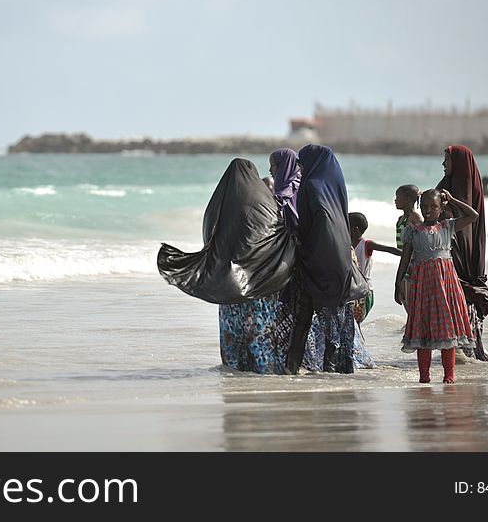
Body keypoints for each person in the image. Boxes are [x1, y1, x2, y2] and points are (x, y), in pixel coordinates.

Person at [157, 157, 297, 373]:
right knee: (258, 329)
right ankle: (264, 370)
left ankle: (234, 369)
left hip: (229, 282)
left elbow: (210, 240)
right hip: (260, 282)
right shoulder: (265, 203)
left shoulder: (217, 208)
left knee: (234, 329)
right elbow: (275, 238)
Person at [286, 144, 367, 374]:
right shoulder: (335, 188)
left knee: (304, 320)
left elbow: (319, 221)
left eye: (302, 163)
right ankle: (340, 372)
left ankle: (292, 370)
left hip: (315, 263)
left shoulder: (310, 186)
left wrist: (303, 246)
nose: (299, 168)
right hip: (338, 263)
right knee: (336, 323)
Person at [395, 188, 477, 383]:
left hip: (446, 284)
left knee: (447, 329)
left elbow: (472, 215)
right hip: (422, 286)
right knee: (423, 329)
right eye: (424, 206)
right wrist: (398, 284)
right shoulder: (413, 231)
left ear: (441, 208)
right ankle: (424, 376)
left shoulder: (447, 227)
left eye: (434, 206)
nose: (428, 210)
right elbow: (405, 260)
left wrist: (453, 199)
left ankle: (449, 375)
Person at [436, 145, 488, 361]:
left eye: (447, 161)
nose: (443, 164)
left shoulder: (471, 189)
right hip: (448, 252)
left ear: (458, 164)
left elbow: (472, 223)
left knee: (465, 295)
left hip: (467, 254)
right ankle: (454, 350)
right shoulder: (444, 186)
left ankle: (469, 349)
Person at [349, 211, 401, 323]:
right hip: (353, 291)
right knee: (352, 324)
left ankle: (360, 341)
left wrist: (407, 254)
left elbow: (389, 249)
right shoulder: (347, 245)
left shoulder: (366, 245)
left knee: (355, 323)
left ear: (355, 229)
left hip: (364, 292)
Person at [394, 184, 423, 309]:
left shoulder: (414, 217)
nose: (395, 200)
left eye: (397, 197)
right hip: (404, 261)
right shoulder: (401, 218)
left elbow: (423, 239)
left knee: (410, 296)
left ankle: (414, 325)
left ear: (407, 199)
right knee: (404, 296)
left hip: (413, 264)